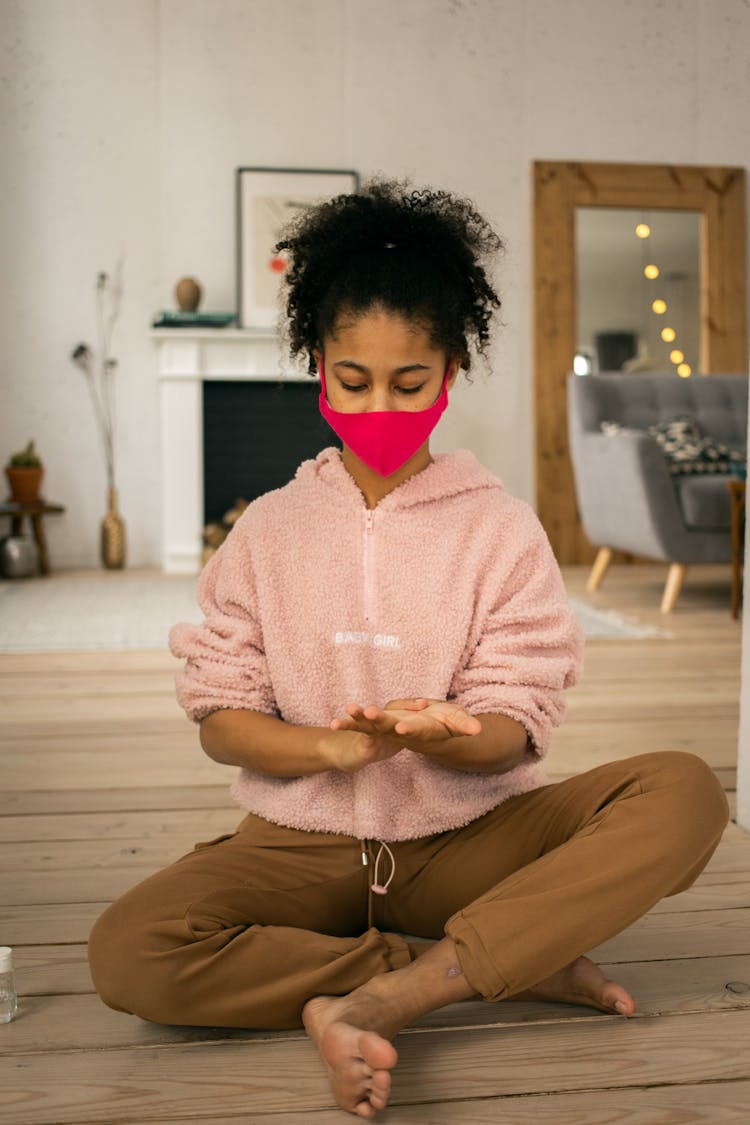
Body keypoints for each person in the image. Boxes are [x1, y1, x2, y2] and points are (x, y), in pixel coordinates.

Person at [88, 179, 729, 1119]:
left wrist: (446, 735)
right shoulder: (266, 531)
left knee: (687, 790)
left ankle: (396, 994)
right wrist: (331, 749)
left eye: (409, 382)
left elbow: (516, 725)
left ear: (452, 374)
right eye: (352, 381)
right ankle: (489, 960)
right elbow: (221, 719)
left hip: (465, 840)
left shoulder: (503, 529)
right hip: (298, 844)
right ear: (318, 366)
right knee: (127, 949)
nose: (380, 405)